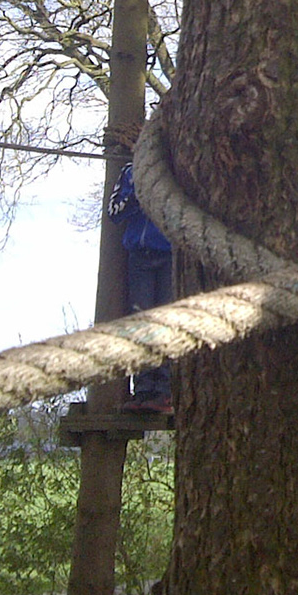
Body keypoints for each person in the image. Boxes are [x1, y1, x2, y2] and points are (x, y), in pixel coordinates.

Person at [107, 161, 174, 413]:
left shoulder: (175, 168)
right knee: (141, 322)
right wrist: (136, 195)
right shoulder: (129, 171)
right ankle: (144, 390)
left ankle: (165, 391)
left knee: (166, 322)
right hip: (139, 257)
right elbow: (114, 212)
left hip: (169, 255)